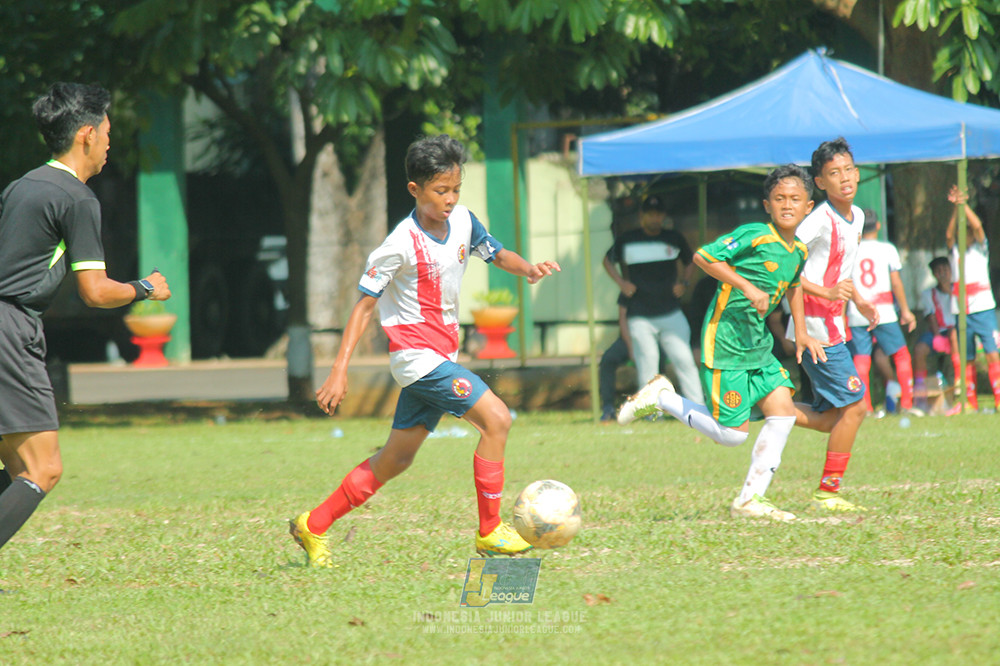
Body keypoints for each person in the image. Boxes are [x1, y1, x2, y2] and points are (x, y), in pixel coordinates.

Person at [289, 135, 560, 567]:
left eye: (456, 189)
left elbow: (495, 253)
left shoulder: (465, 221)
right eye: (441, 190)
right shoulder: (399, 244)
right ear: (415, 189)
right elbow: (363, 308)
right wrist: (339, 370)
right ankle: (490, 531)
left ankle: (313, 524)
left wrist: (529, 268)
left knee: (395, 460)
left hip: (441, 357)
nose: (451, 199)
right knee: (497, 419)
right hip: (417, 360)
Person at [0, 82, 171, 550]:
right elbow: (95, 292)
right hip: (11, 330)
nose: (110, 143)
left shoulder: (21, 186)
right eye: (108, 133)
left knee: (19, 466)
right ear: (87, 135)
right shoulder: (75, 198)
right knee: (43, 469)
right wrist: (145, 288)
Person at [617, 165, 826, 522]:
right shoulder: (755, 234)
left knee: (782, 412)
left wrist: (802, 332)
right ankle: (662, 398)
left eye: (795, 199)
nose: (787, 205)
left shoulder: (799, 252)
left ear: (808, 207)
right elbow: (704, 257)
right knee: (731, 435)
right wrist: (746, 286)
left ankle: (750, 500)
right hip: (727, 340)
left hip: (758, 344)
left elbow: (793, 286)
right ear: (767, 205)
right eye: (779, 198)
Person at [784, 137, 877, 513]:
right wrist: (823, 296)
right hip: (814, 329)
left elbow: (842, 270)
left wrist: (858, 300)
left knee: (829, 419)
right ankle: (828, 492)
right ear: (820, 182)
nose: (845, 178)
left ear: (858, 173)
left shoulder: (858, 217)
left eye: (849, 170)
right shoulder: (818, 220)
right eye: (835, 173)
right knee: (856, 407)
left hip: (834, 325)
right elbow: (787, 266)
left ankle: (765, 405)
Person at [602, 194, 703, 403]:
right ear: (642, 216)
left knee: (684, 360)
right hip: (640, 315)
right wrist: (622, 283)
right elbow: (607, 260)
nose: (654, 218)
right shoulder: (628, 239)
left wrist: (684, 283)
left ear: (663, 216)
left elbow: (691, 260)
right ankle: (649, 412)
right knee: (647, 363)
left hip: (670, 311)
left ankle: (697, 407)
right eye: (650, 214)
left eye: (658, 214)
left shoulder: (673, 238)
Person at [845, 211, 918, 415]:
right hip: (884, 310)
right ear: (878, 225)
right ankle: (907, 403)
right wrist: (905, 310)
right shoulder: (887, 249)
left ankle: (865, 407)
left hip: (858, 311)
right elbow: (896, 282)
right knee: (901, 354)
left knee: (861, 358)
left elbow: (845, 283)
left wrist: (843, 315)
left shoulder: (851, 250)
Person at [946, 184, 1000, 412]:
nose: (964, 236)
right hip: (962, 310)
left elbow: (977, 226)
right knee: (966, 357)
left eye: (966, 233)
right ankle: (969, 401)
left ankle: (998, 398)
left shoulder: (980, 249)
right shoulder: (954, 252)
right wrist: (955, 210)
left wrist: (963, 205)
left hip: (983, 308)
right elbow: (949, 235)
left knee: (991, 353)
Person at [913, 257, 961, 412]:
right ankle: (920, 388)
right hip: (939, 331)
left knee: (954, 335)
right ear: (934, 274)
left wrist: (950, 291)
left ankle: (959, 380)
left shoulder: (959, 289)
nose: (943, 274)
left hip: (958, 330)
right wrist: (937, 337)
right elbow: (931, 316)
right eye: (939, 271)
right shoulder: (929, 293)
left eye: (945, 270)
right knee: (919, 350)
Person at [599, 297, 632, 422]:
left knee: (657, 361)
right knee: (607, 360)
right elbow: (622, 318)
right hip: (628, 339)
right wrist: (631, 347)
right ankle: (608, 408)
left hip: (654, 340)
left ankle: (656, 409)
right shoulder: (628, 291)